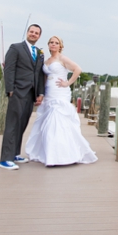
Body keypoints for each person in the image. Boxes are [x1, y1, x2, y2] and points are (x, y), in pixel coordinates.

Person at [24, 36, 98, 166]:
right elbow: (45, 78)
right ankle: (49, 152)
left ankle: (61, 155)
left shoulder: (62, 58)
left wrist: (67, 83)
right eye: (51, 42)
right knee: (47, 121)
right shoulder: (46, 61)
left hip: (60, 91)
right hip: (49, 92)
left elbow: (77, 69)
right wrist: (41, 94)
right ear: (48, 45)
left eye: (56, 43)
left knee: (57, 120)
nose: (53, 44)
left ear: (60, 46)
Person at [0, 24, 46, 170]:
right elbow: (9, 69)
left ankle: (14, 153)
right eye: (31, 31)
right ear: (27, 33)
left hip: (31, 94)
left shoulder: (39, 53)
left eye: (36, 33)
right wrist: (10, 89)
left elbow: (38, 74)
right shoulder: (16, 48)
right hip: (18, 91)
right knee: (12, 124)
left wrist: (40, 93)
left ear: (39, 36)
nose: (33, 34)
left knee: (22, 124)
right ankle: (5, 159)